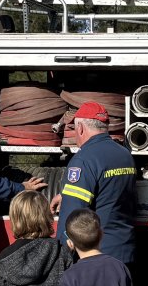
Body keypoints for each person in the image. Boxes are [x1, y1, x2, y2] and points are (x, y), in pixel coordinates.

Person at [54, 101, 137, 265]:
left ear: (80, 128)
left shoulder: (83, 160)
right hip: (125, 251)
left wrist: (61, 256)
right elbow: (109, 193)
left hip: (97, 257)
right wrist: (66, 195)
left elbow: (73, 217)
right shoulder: (125, 155)